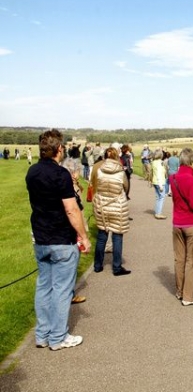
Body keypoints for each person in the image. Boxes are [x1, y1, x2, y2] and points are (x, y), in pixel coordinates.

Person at [25, 129, 91, 351]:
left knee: (44, 287)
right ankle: (58, 337)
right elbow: (71, 209)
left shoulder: (32, 172)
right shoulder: (61, 174)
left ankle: (42, 334)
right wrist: (83, 236)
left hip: (40, 238)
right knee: (62, 290)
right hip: (61, 238)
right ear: (59, 149)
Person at [170, 148, 193, 306]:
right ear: (191, 160)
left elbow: (175, 200)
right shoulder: (191, 179)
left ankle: (180, 291)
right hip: (191, 223)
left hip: (177, 222)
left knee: (179, 259)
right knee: (191, 261)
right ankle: (188, 296)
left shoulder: (173, 178)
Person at [91, 147, 131, 276]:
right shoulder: (120, 172)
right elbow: (126, 187)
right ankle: (116, 267)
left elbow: (96, 186)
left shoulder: (99, 171)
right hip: (117, 206)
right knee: (117, 237)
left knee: (102, 236)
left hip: (102, 205)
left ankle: (97, 265)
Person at [61, 157, 88, 305]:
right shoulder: (69, 186)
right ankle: (68, 294)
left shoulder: (71, 184)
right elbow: (74, 209)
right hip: (73, 229)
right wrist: (83, 234)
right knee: (70, 264)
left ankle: (68, 292)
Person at [151, 148, 167, 219]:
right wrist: (160, 185)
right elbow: (159, 174)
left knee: (158, 197)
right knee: (161, 197)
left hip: (155, 181)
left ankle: (157, 211)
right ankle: (158, 213)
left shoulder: (154, 162)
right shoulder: (160, 163)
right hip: (159, 182)